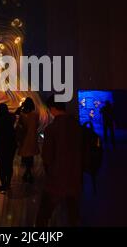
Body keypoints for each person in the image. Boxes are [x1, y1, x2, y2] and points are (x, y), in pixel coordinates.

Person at [36, 95, 83, 227]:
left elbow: (47, 156)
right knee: (73, 213)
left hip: (56, 179)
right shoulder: (77, 127)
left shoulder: (52, 129)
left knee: (44, 214)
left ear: (52, 108)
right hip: (75, 177)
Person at [0, 103, 17, 193]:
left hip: (0, 144)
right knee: (9, 164)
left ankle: (3, 184)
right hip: (11, 144)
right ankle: (8, 184)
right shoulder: (11, 117)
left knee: (2, 165)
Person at [15, 97, 39, 184]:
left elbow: (16, 116)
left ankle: (27, 173)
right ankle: (28, 173)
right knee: (30, 156)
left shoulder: (22, 115)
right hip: (32, 138)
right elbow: (37, 125)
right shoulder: (35, 114)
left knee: (26, 156)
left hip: (24, 138)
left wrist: (21, 106)